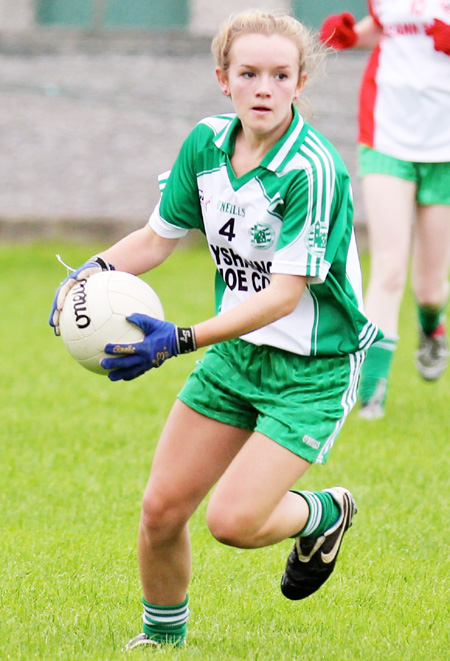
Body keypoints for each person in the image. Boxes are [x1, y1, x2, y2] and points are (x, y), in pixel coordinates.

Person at [49, 11, 381, 649]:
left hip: (312, 371)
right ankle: (161, 640)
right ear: (222, 79)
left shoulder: (312, 169)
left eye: (280, 75)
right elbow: (154, 239)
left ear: (299, 81)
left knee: (232, 522)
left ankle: (326, 511)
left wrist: (179, 339)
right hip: (236, 358)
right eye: (248, 73)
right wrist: (83, 277)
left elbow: (285, 297)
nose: (264, 87)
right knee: (161, 510)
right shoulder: (205, 143)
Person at [320, 1, 450, 419]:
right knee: (390, 268)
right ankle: (372, 391)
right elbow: (383, 27)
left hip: (443, 146)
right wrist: (348, 36)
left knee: (430, 286)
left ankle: (432, 326)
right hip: (385, 136)